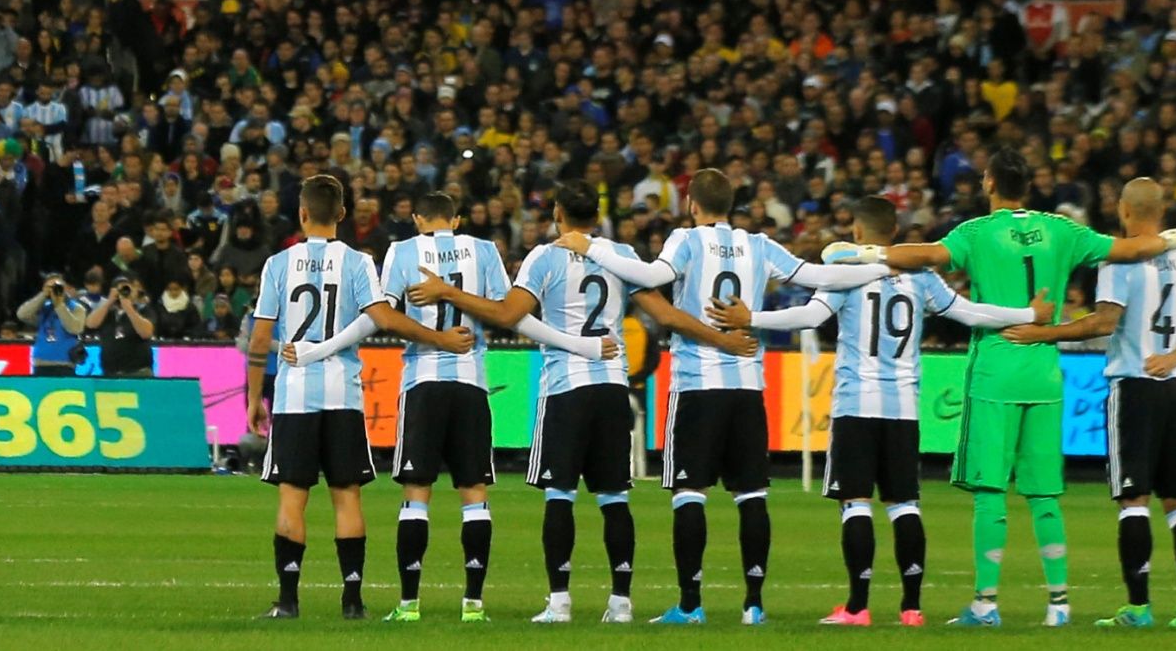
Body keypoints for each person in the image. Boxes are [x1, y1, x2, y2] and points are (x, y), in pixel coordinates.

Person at [831, 148, 1176, 626]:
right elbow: (1132, 248)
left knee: (991, 492)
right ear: (1028, 186)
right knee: (1045, 494)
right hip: (1045, 373)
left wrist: (869, 253)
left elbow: (927, 256)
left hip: (996, 368)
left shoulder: (976, 233)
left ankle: (986, 604)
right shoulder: (1063, 230)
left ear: (989, 183)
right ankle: (1059, 606)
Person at [575, 168, 891, 625]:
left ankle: (690, 605)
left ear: (691, 203)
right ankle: (753, 605)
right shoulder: (759, 244)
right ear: (733, 203)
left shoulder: (685, 241)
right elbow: (815, 274)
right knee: (751, 495)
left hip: (697, 384)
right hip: (747, 385)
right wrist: (882, 264)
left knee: (689, 493)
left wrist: (592, 246)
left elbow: (649, 274)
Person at [282, 188, 608, 623]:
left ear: (417, 219)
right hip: (471, 383)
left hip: (423, 382)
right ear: (455, 221)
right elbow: (504, 312)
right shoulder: (484, 250)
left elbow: (379, 314)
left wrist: (319, 349)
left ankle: (409, 604)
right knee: (473, 493)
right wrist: (577, 343)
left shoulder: (402, 251)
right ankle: (473, 604)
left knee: (417, 493)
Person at [738, 196, 1043, 628]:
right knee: (905, 504)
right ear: (895, 233)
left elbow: (808, 316)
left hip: (856, 405)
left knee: (856, 503)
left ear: (857, 233)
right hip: (903, 408)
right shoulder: (921, 274)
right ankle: (911, 609)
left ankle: (858, 608)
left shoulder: (846, 273)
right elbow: (968, 312)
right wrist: (1030, 313)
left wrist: (749, 317)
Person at [995, 177, 1176, 628]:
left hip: (1135, 386)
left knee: (1134, 499)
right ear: (1161, 210)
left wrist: (1046, 332)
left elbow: (1103, 322)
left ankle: (1138, 608)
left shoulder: (1118, 258)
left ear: (1124, 210)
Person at [247, 173, 468, 621]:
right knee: (347, 496)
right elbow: (382, 317)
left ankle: (288, 600)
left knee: (292, 496)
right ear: (343, 215)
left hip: (295, 395)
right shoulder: (359, 262)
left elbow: (258, 342)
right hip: (343, 394)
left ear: (302, 213)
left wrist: (254, 399)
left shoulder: (277, 264)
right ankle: (352, 600)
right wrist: (438, 337)